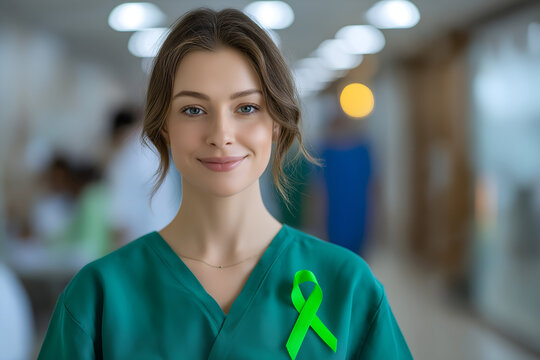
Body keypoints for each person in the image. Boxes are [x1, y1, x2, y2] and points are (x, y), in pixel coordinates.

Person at [38, 7, 412, 359]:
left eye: (246, 108)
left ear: (276, 125)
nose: (221, 134)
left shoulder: (346, 287)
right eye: (193, 109)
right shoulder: (98, 298)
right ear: (163, 127)